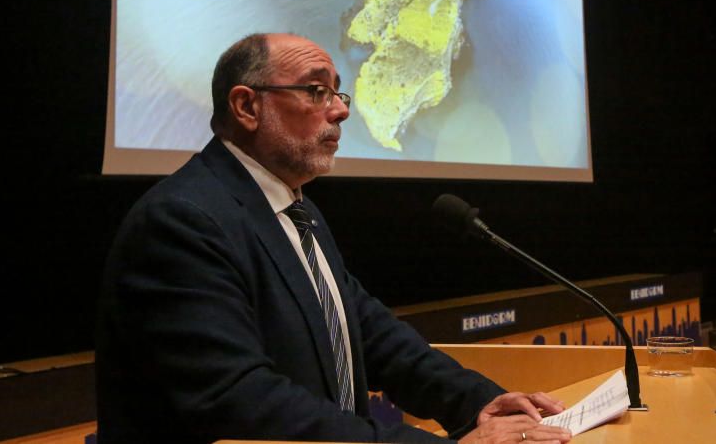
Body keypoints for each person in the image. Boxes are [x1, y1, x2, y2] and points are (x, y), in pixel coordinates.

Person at [96, 33, 573, 444]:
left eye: (339, 93)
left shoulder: (297, 210)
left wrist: (483, 403)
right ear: (246, 106)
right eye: (316, 91)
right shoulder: (183, 220)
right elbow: (240, 399)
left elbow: (370, 333)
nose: (341, 110)